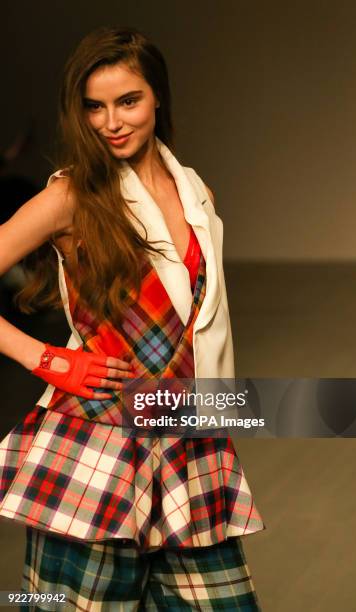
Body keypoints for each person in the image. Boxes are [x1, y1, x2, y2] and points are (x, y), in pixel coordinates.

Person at [0, 26, 265, 610]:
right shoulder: (71, 196)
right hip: (97, 449)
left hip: (186, 447)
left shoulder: (197, 194)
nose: (111, 122)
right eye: (94, 107)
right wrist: (43, 357)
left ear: (157, 97)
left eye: (128, 101)